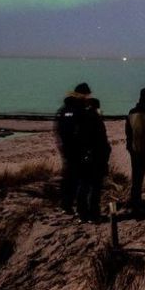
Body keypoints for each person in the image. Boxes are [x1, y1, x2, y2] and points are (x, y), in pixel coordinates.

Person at [54, 83, 91, 215]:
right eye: (86, 95)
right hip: (76, 149)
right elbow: (83, 131)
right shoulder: (78, 110)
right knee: (80, 178)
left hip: (67, 148)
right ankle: (78, 207)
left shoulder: (64, 109)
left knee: (69, 177)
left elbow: (59, 130)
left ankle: (67, 205)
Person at [77, 97, 111, 223]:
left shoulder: (81, 119)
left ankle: (82, 214)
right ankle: (93, 214)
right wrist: (106, 154)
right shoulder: (96, 120)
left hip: (82, 157)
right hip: (96, 157)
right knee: (95, 187)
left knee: (83, 186)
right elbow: (102, 140)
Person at [125, 87, 145, 211]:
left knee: (137, 180)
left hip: (136, 151)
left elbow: (128, 133)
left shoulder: (132, 112)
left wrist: (130, 147)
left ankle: (136, 204)